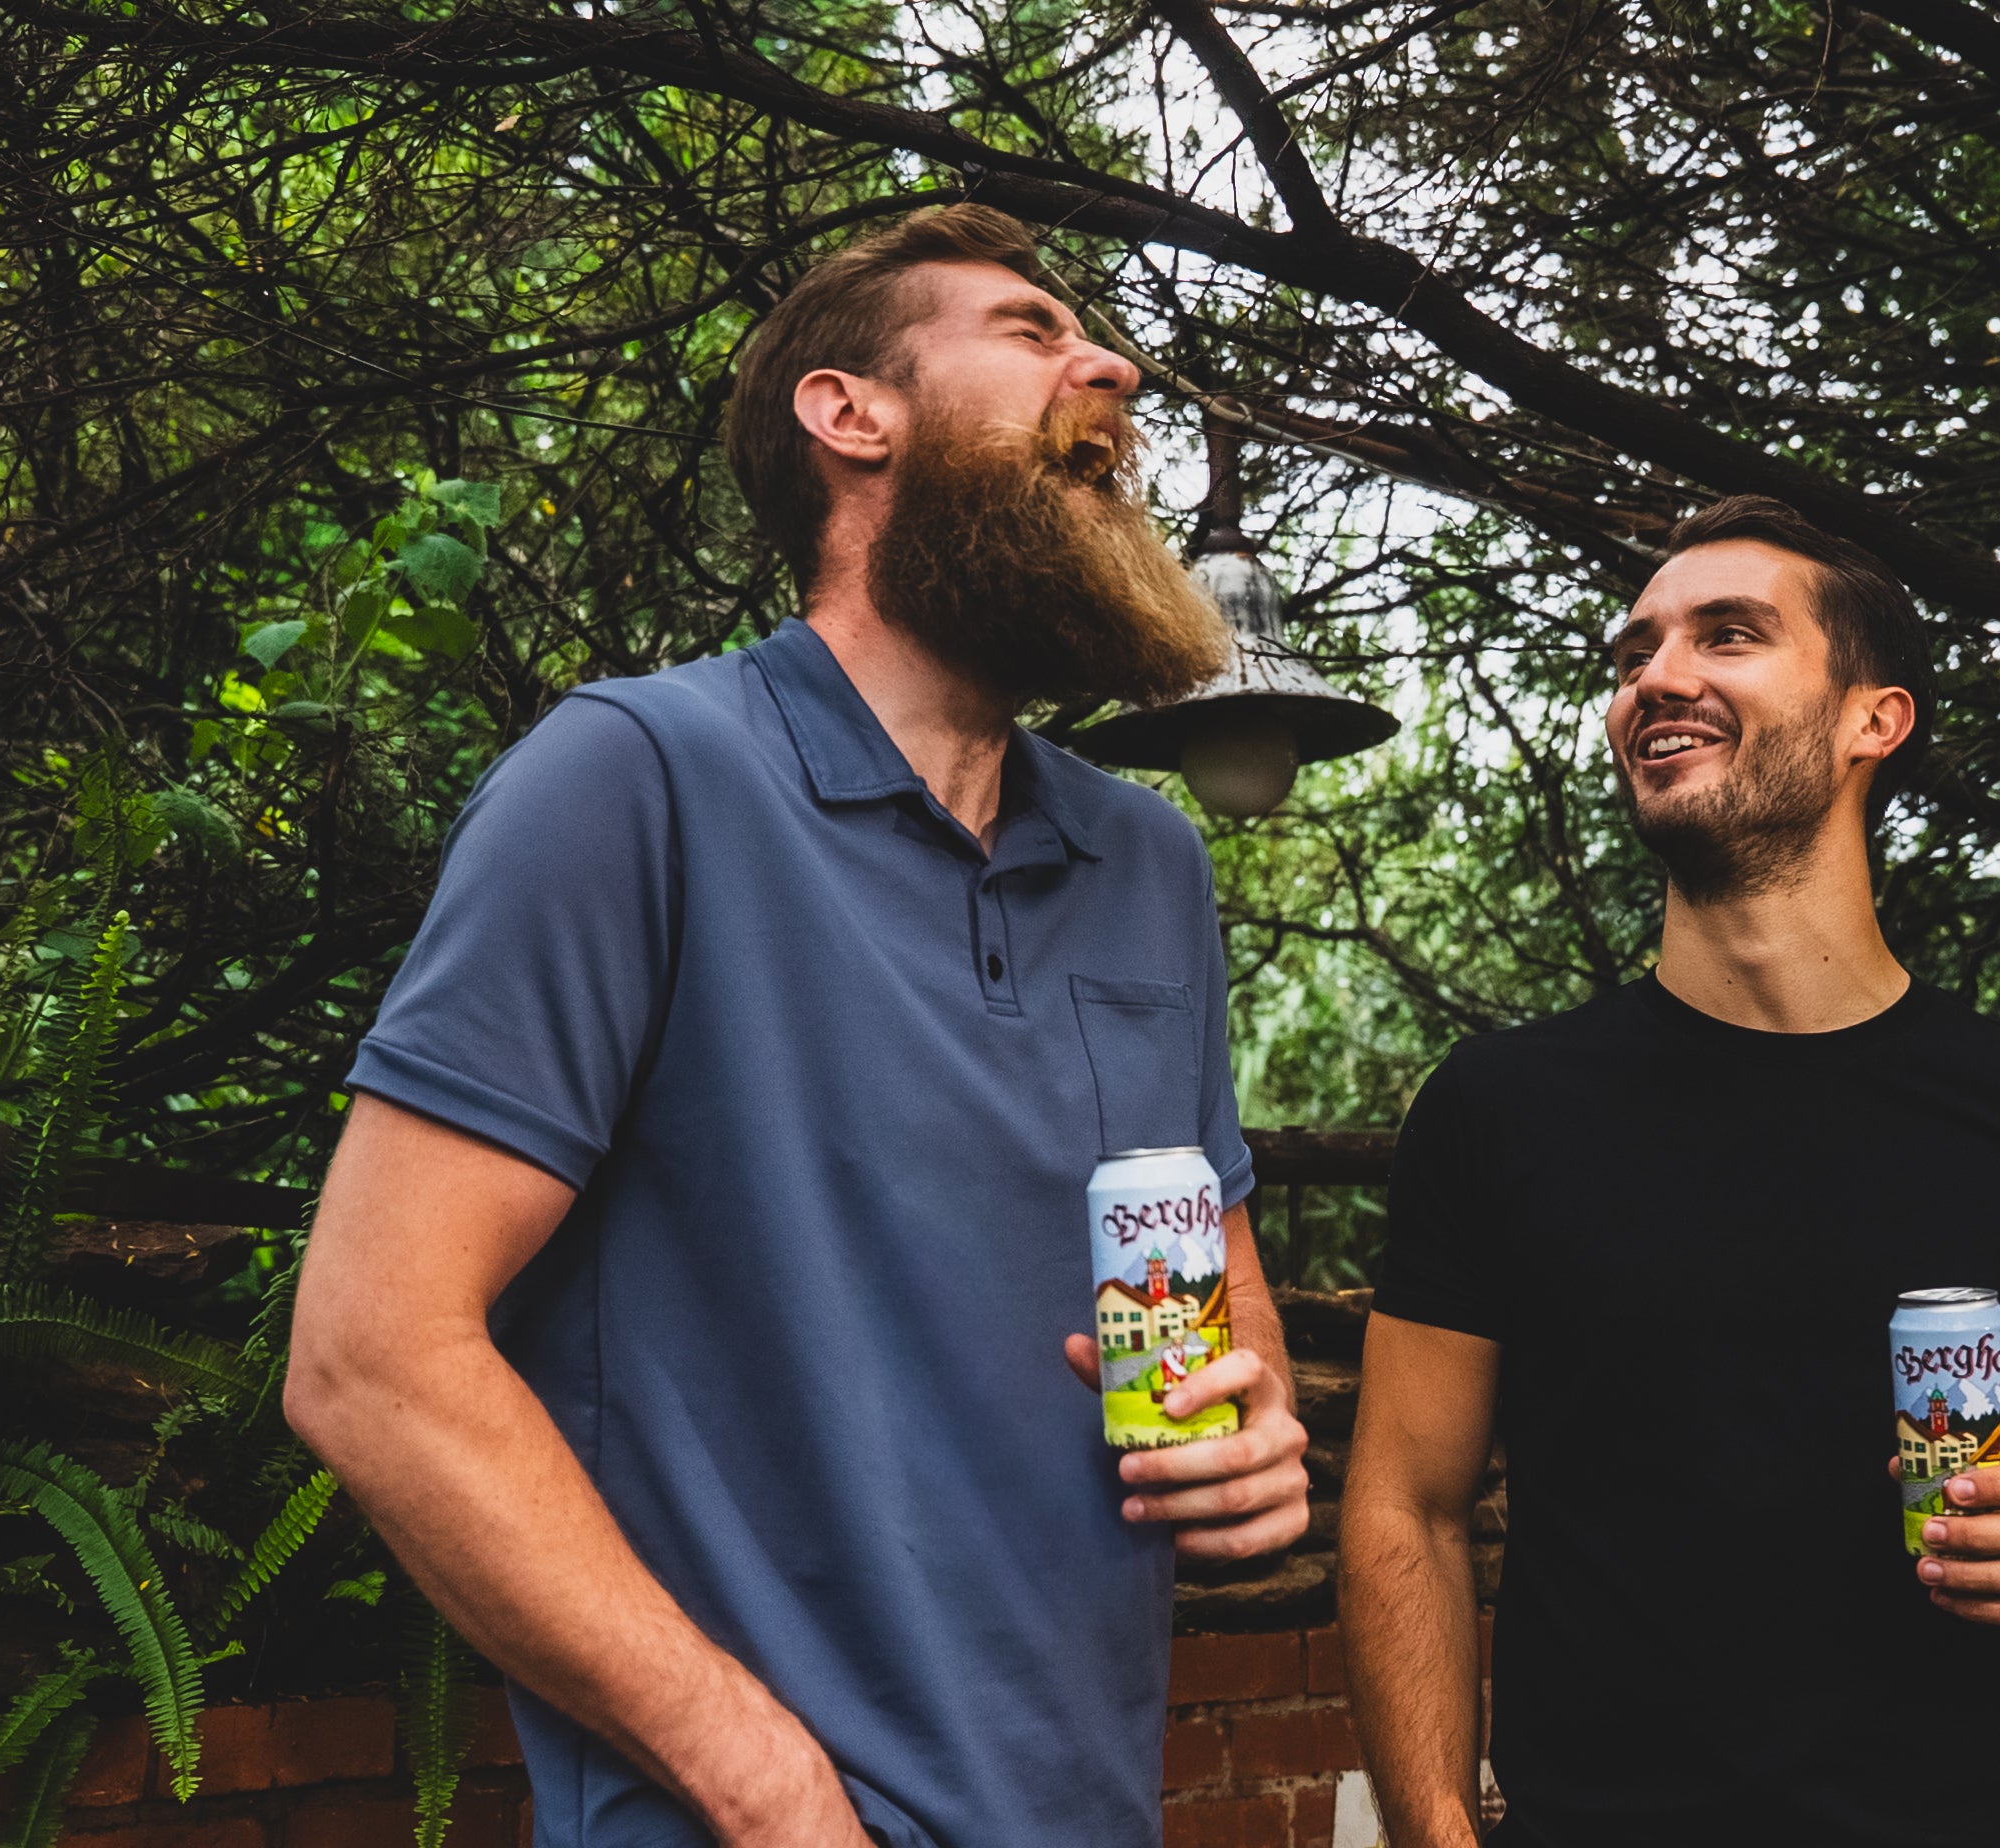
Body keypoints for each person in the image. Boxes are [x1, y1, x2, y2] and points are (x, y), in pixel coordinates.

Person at [284, 205, 1310, 1848]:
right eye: (1032, 332)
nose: (1111, 367)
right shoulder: (635, 777)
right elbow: (370, 1358)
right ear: (851, 415)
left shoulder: (1148, 863)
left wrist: (1251, 1438)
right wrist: (766, 1791)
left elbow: (1219, 1301)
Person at [1337, 496, 2000, 1847]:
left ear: (1874, 720)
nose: (1657, 676)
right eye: (1635, 651)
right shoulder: (1500, 1110)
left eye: (1728, 636)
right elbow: (1406, 1508)